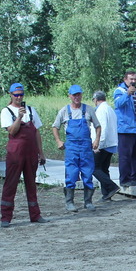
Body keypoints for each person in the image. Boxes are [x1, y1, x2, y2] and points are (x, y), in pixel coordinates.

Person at [0, 83, 48, 227]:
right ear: (10, 95)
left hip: (31, 153)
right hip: (15, 154)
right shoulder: (6, 111)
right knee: (10, 184)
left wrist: (41, 153)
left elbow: (36, 132)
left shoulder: (31, 110)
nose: (19, 97)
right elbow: (12, 131)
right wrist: (19, 117)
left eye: (21, 94)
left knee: (31, 184)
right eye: (16, 95)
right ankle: (5, 217)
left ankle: (35, 215)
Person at [52, 84, 101, 212]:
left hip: (86, 148)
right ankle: (69, 202)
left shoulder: (88, 109)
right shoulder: (64, 111)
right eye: (74, 95)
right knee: (71, 174)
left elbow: (98, 126)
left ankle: (88, 202)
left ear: (81, 95)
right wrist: (58, 141)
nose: (76, 97)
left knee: (88, 174)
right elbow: (55, 127)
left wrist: (96, 140)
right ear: (69, 96)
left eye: (78, 94)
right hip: (71, 148)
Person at [113, 70, 136, 187]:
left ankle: (135, 176)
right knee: (125, 155)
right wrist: (127, 94)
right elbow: (118, 104)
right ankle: (125, 179)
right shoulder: (120, 91)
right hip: (125, 129)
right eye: (131, 79)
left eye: (135, 79)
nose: (133, 81)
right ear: (125, 80)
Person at [90, 90, 120, 200]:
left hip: (103, 144)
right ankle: (106, 193)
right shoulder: (110, 109)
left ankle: (111, 187)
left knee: (94, 168)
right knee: (103, 168)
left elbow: (102, 128)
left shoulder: (101, 110)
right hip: (111, 143)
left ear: (96, 100)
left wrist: (98, 144)